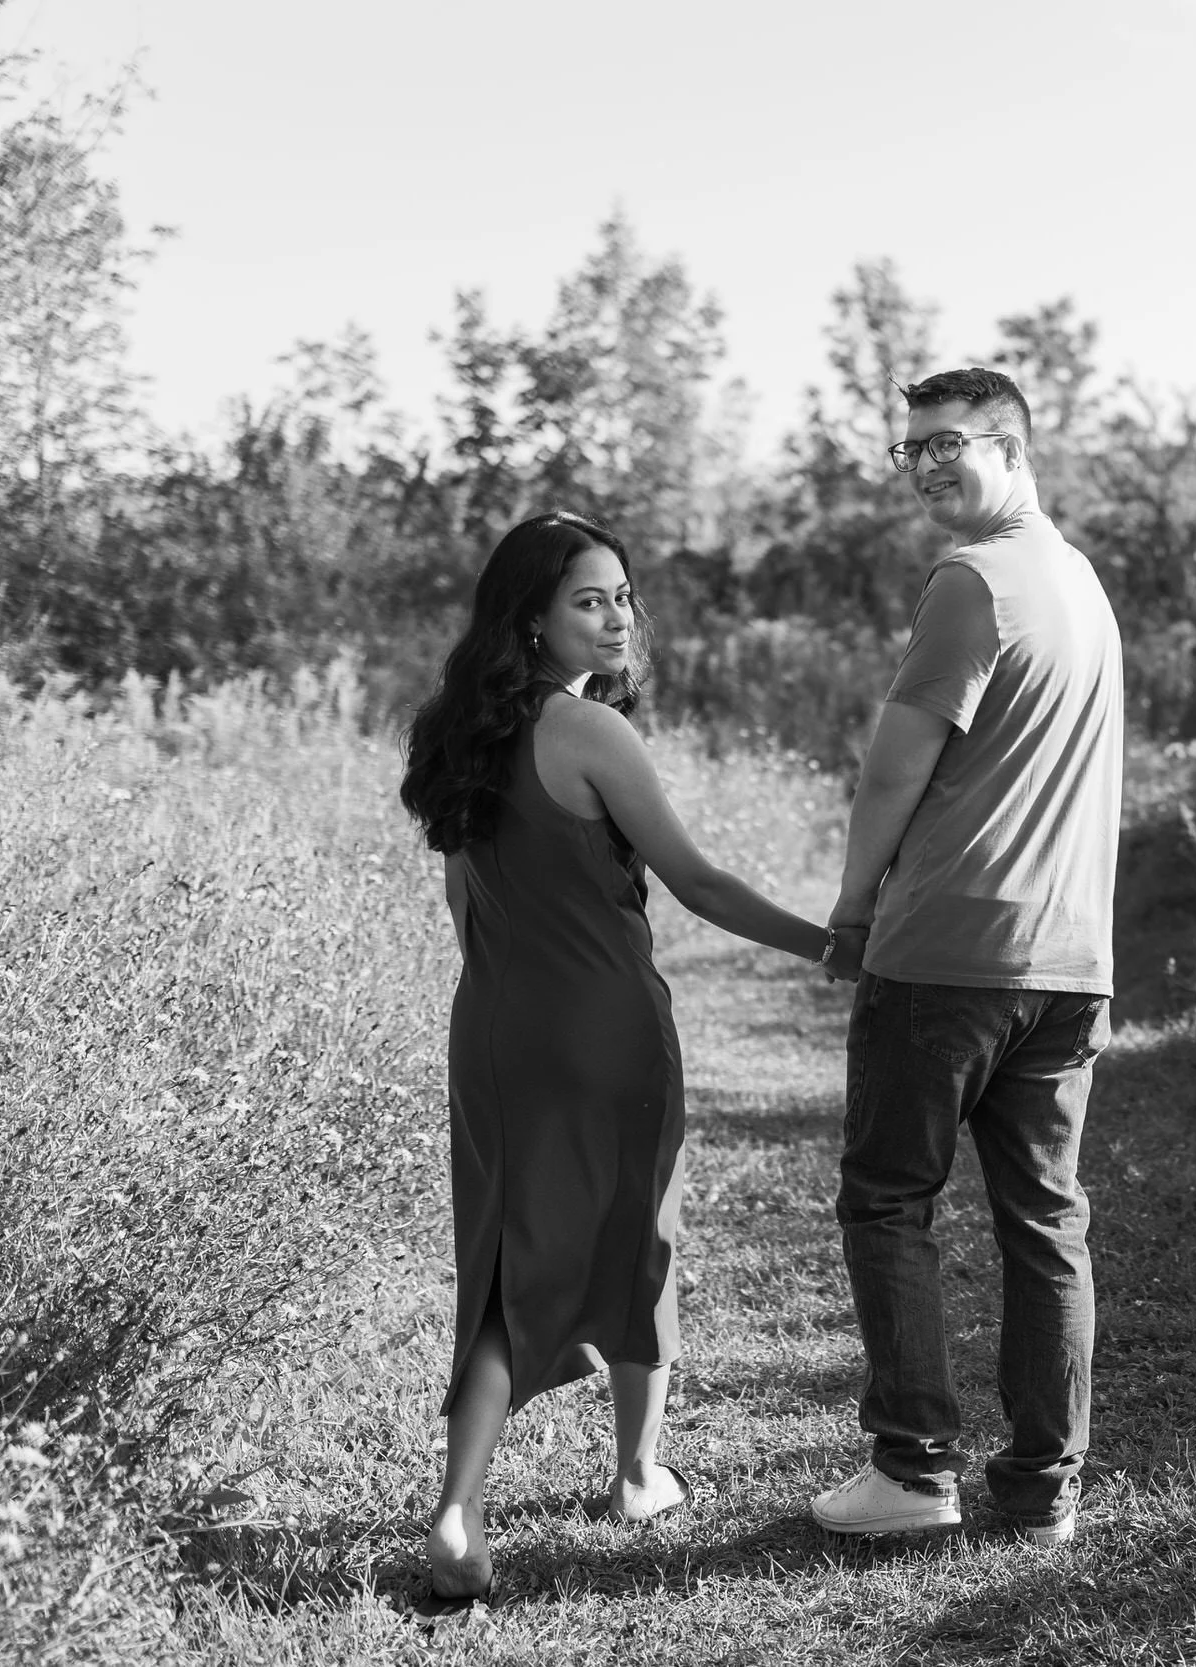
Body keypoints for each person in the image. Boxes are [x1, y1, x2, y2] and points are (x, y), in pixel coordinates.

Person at [398, 510, 844, 1601]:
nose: (614, 616)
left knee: (505, 1263)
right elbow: (698, 882)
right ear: (532, 618)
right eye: (586, 598)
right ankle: (637, 1473)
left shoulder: (457, 734)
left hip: (496, 1028)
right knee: (638, 1238)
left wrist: (513, 991)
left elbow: (466, 904)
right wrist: (836, 947)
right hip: (606, 1025)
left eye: (621, 595)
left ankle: (459, 1510)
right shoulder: (592, 734)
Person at [808, 367, 1124, 1549]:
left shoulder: (972, 578)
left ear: (1011, 444)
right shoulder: (1079, 582)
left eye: (947, 443)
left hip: (949, 951)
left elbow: (895, 766)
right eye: (912, 451)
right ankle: (1044, 1492)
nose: (926, 465)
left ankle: (912, 1469)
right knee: (1046, 1221)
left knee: (888, 1199)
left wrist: (850, 908)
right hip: (1067, 960)